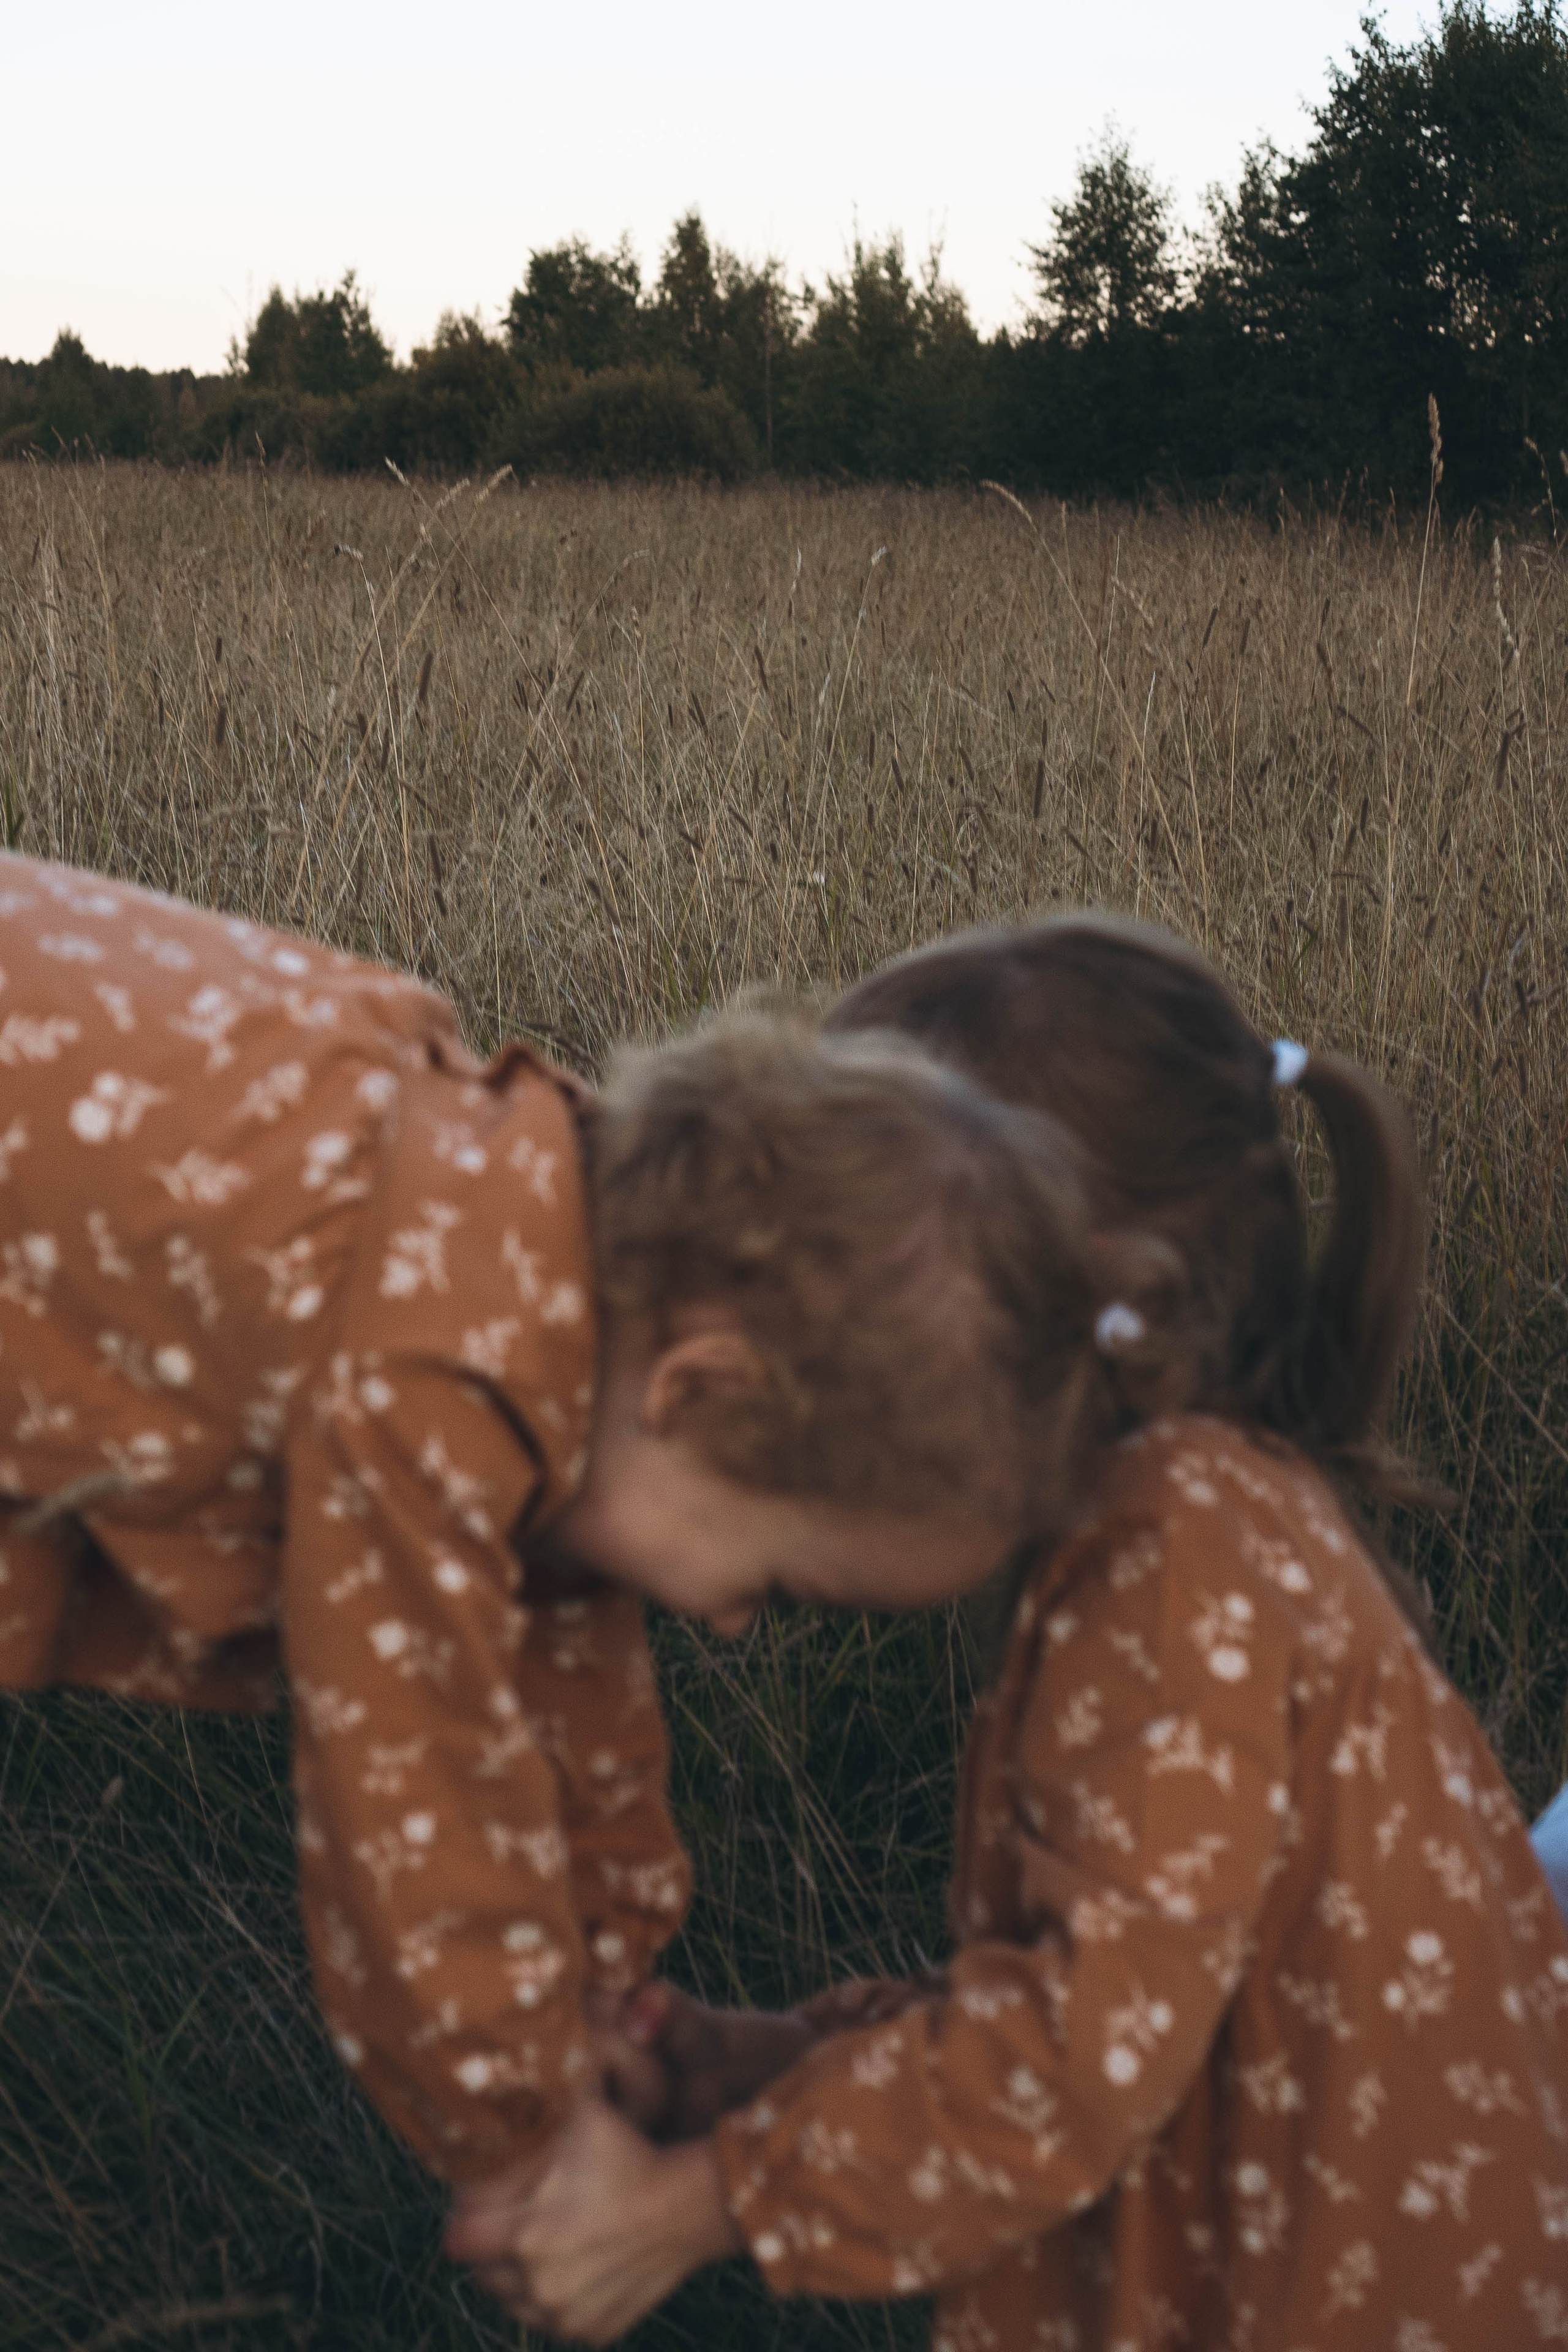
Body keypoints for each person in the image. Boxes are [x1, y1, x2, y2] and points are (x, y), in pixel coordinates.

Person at [450, 917, 1568, 2348]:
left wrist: (704, 2203)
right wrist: (776, 2068)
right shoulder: (1181, 1526)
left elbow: (1075, 2056)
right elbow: (1124, 1995)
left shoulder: (1180, 1562)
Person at [0, 856, 1096, 2195]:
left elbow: (561, 1650)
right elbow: (410, 1784)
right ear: (699, 1391)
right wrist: (527, 2136)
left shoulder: (536, 1254)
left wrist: (601, 1980)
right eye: (778, 1585)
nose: (729, 1623)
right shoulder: (432, 1363)